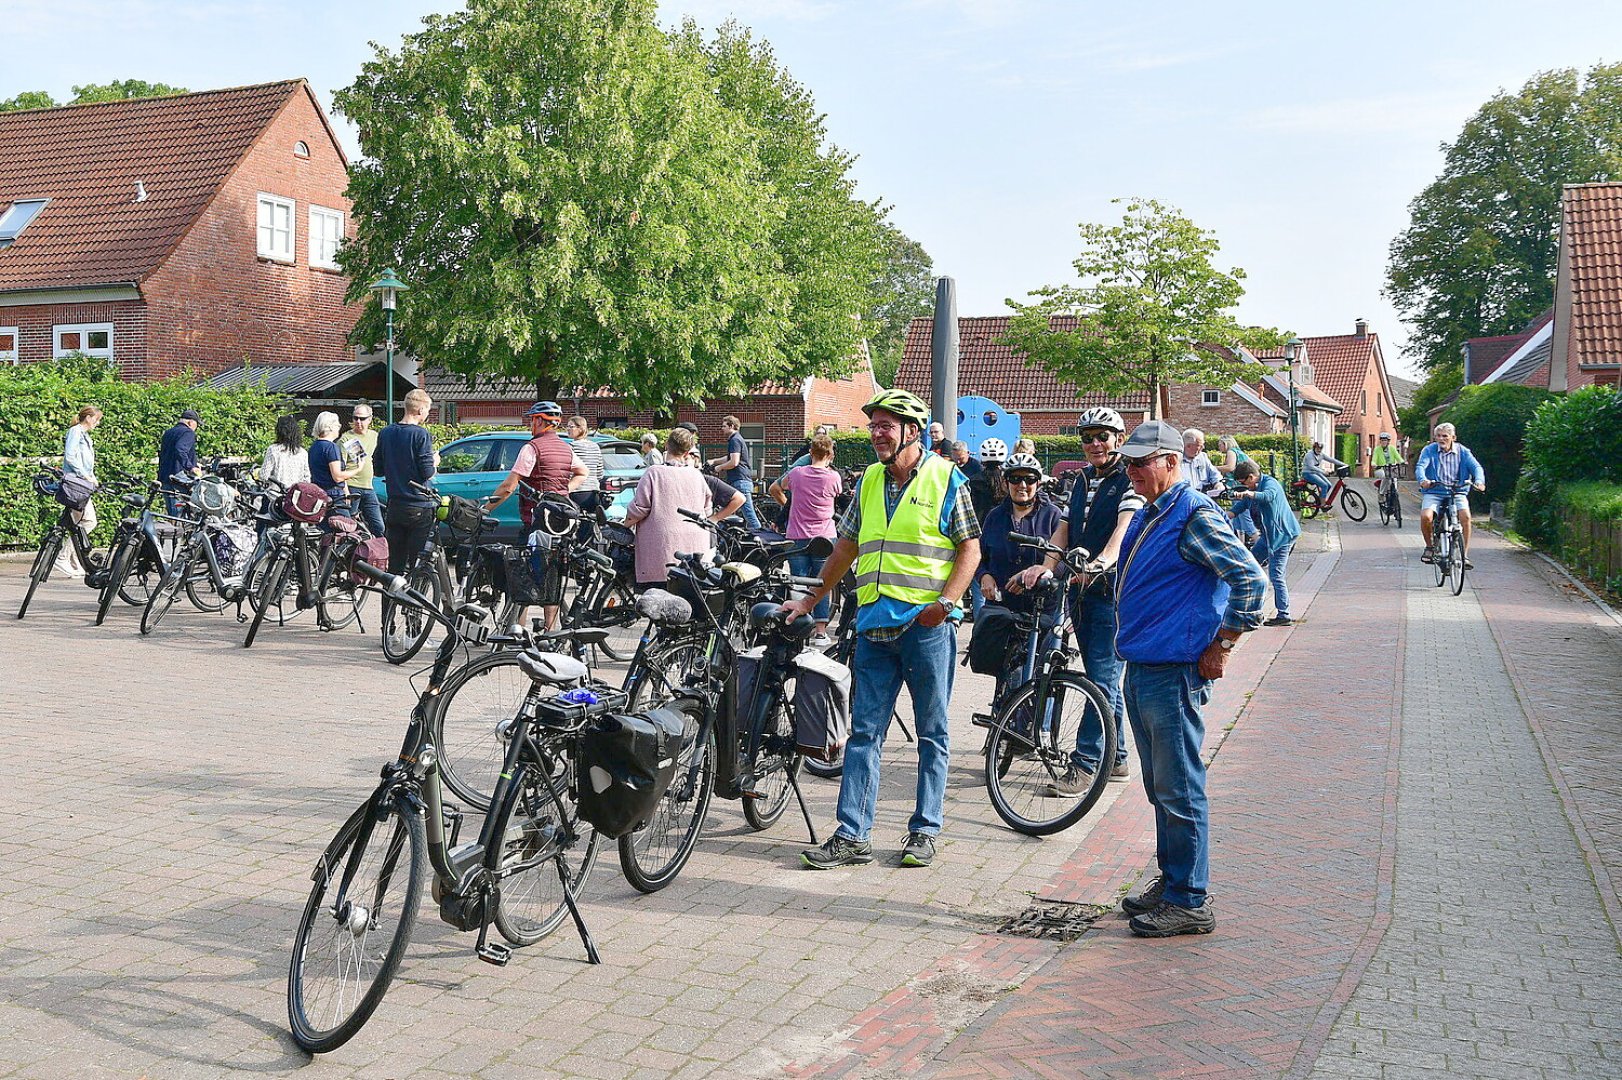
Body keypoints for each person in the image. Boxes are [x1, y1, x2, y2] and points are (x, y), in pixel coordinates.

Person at [785, 388, 981, 872]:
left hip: (925, 628)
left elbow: (970, 550)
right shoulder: (871, 480)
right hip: (874, 625)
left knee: (933, 732)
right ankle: (853, 834)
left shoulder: (946, 478)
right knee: (864, 734)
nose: (876, 434)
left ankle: (924, 831)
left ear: (912, 431)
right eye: (873, 425)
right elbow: (846, 547)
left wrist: (947, 604)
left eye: (885, 426)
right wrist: (812, 597)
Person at [1111, 420, 1265, 938]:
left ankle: (1189, 899)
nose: (1130, 471)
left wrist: (1223, 644)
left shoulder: (1192, 513)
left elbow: (1250, 577)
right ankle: (1174, 878)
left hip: (1174, 668)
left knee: (1179, 786)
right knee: (1160, 785)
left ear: (1172, 462)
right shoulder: (1154, 512)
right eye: (1128, 463)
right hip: (1144, 662)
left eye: (1140, 463)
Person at [1014, 406, 1141, 788]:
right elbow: (1065, 530)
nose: (1095, 444)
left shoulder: (1127, 479)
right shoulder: (1082, 479)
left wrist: (1100, 564)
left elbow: (1123, 530)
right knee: (1105, 678)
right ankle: (1116, 758)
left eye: (1102, 436)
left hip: (1111, 592)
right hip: (1081, 592)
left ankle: (1086, 763)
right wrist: (1045, 567)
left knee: (1101, 680)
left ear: (1119, 439)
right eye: (1087, 438)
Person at [977, 453, 1062, 688]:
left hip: (1041, 609)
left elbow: (1061, 560)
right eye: (1015, 479)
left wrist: (1033, 574)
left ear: (1038, 482)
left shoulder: (1053, 515)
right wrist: (984, 576)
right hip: (1005, 607)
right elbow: (979, 557)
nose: (1022, 485)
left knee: (1040, 678)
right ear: (1006, 483)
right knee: (1004, 678)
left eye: (1029, 479)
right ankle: (1002, 717)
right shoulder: (995, 517)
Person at [624, 427, 743, 585]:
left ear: (666, 445)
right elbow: (706, 510)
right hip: (696, 547)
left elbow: (639, 508)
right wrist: (714, 518)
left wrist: (625, 524)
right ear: (688, 452)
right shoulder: (696, 475)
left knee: (657, 598)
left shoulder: (653, 473)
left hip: (661, 546)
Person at [769, 432, 842, 644]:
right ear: (830, 455)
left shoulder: (797, 474)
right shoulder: (834, 477)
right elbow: (838, 495)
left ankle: (798, 628)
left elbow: (776, 488)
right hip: (824, 535)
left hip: (797, 534)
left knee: (798, 579)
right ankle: (820, 630)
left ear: (811, 453)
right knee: (821, 581)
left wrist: (788, 506)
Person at [484, 400, 588, 529]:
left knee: (529, 547)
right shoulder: (565, 447)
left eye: (532, 419)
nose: (531, 423)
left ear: (539, 421)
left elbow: (508, 487)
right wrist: (562, 492)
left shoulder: (532, 448)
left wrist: (485, 509)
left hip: (537, 518)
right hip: (561, 519)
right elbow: (583, 472)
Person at [1228, 460, 1300, 626]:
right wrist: (1222, 516)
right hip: (1268, 537)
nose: (1243, 486)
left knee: (1276, 575)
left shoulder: (1270, 483)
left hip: (1281, 536)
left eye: (1243, 482)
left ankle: (1284, 615)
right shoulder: (1251, 490)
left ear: (1251, 477)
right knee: (1250, 566)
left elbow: (1268, 496)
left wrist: (1248, 494)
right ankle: (1251, 608)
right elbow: (1239, 508)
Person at [374, 389, 437, 574]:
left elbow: (378, 469)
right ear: (420, 410)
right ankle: (413, 601)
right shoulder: (421, 435)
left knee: (394, 566)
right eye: (427, 410)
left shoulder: (385, 433)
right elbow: (427, 472)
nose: (426, 414)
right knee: (417, 564)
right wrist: (435, 462)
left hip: (394, 505)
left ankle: (390, 602)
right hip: (418, 505)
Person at [1416, 422, 1486, 569]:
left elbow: (1476, 467)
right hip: (1435, 491)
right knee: (1426, 517)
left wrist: (1479, 481)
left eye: (1445, 436)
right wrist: (1424, 481)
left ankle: (1464, 555)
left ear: (1453, 437)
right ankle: (1429, 547)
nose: (1441, 439)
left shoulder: (1463, 451)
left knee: (1465, 516)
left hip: (1457, 491)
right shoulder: (1429, 450)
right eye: (1438, 436)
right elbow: (1421, 466)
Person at [53, 405, 103, 577]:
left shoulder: (85, 435)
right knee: (87, 521)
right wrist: (86, 476)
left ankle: (75, 560)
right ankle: (63, 557)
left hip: (82, 483)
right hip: (76, 484)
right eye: (97, 419)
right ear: (88, 418)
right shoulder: (76, 431)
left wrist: (92, 476)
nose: (98, 423)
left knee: (79, 523)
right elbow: (71, 456)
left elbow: (86, 463)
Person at [707, 415, 759, 529]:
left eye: (724, 426)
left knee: (749, 516)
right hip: (740, 480)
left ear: (731, 426)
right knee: (727, 511)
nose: (722, 428)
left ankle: (762, 539)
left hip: (740, 480)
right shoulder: (736, 439)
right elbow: (730, 457)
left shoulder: (735, 440)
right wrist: (714, 461)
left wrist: (719, 468)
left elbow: (734, 462)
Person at [341, 404, 384, 536]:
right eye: (355, 418)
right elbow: (340, 468)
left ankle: (379, 553)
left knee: (379, 526)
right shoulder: (346, 438)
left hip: (369, 487)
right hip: (352, 486)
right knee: (349, 526)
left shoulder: (375, 436)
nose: (358, 422)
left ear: (370, 419)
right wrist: (345, 490)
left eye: (362, 418)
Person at [307, 411, 359, 520]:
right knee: (345, 529)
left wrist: (346, 491)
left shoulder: (314, 447)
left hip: (318, 494)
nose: (339, 427)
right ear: (330, 427)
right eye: (337, 425)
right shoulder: (331, 447)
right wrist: (358, 469)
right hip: (334, 496)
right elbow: (337, 476)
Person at [158, 409, 203, 515]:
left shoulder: (168, 432)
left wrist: (194, 463)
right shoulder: (188, 432)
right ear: (190, 422)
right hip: (178, 478)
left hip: (165, 477)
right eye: (197, 425)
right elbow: (180, 449)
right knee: (181, 516)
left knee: (172, 515)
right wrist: (191, 467)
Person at [566, 415, 605, 538]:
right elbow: (600, 473)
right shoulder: (595, 446)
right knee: (588, 526)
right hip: (593, 492)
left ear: (580, 428)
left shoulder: (571, 447)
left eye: (571, 426)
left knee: (573, 524)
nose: (567, 429)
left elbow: (568, 472)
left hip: (577, 490)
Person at [1214, 435, 1257, 545]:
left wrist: (1212, 467)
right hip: (1244, 485)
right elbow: (1256, 466)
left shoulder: (1231, 452)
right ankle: (1241, 542)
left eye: (1220, 445)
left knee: (1242, 514)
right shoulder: (1240, 452)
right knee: (1238, 516)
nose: (1219, 447)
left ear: (1225, 444)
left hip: (1236, 487)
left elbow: (1230, 467)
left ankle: (1255, 537)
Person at [259, 415, 311, 489]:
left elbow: (264, 476)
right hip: (295, 496)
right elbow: (306, 478)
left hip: (275, 495)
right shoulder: (303, 453)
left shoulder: (273, 450)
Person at [1179, 428, 1226, 498]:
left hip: (1203, 498)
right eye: (1199, 445)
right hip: (1184, 499)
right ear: (1188, 446)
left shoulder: (1203, 457)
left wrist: (1218, 484)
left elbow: (1214, 474)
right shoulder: (1176, 460)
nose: (1203, 447)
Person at [1300, 441, 1342, 506]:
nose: (1319, 450)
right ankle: (1322, 504)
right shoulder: (1309, 455)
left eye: (1320, 448)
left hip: (1316, 473)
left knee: (1329, 485)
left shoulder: (1321, 455)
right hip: (1308, 473)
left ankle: (1319, 499)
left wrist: (1343, 464)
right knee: (1324, 485)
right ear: (1314, 448)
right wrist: (1323, 471)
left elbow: (1331, 460)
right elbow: (1311, 467)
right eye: (1317, 448)